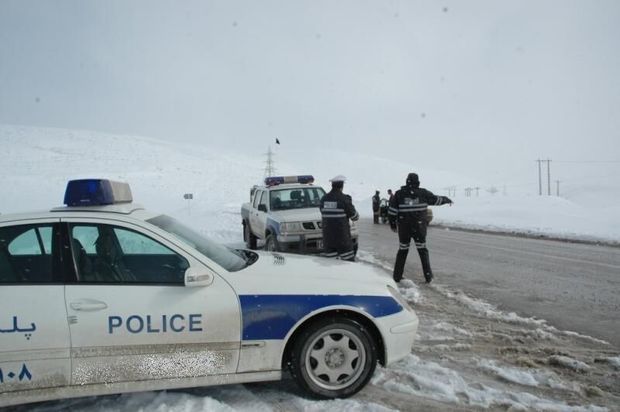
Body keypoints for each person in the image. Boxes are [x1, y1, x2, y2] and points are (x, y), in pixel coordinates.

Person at [388, 173, 452, 283]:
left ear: (407, 181)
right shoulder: (423, 193)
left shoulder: (399, 194)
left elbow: (392, 211)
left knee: (402, 251)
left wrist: (393, 224)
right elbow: (436, 200)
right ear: (417, 182)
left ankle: (397, 276)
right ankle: (428, 277)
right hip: (419, 229)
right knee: (423, 251)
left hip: (404, 230)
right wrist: (447, 200)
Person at [320, 175, 359, 261]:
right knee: (348, 264)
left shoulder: (324, 199)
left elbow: (322, 212)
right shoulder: (344, 199)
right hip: (342, 239)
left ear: (332, 185)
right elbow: (355, 217)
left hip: (328, 239)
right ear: (342, 186)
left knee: (331, 265)